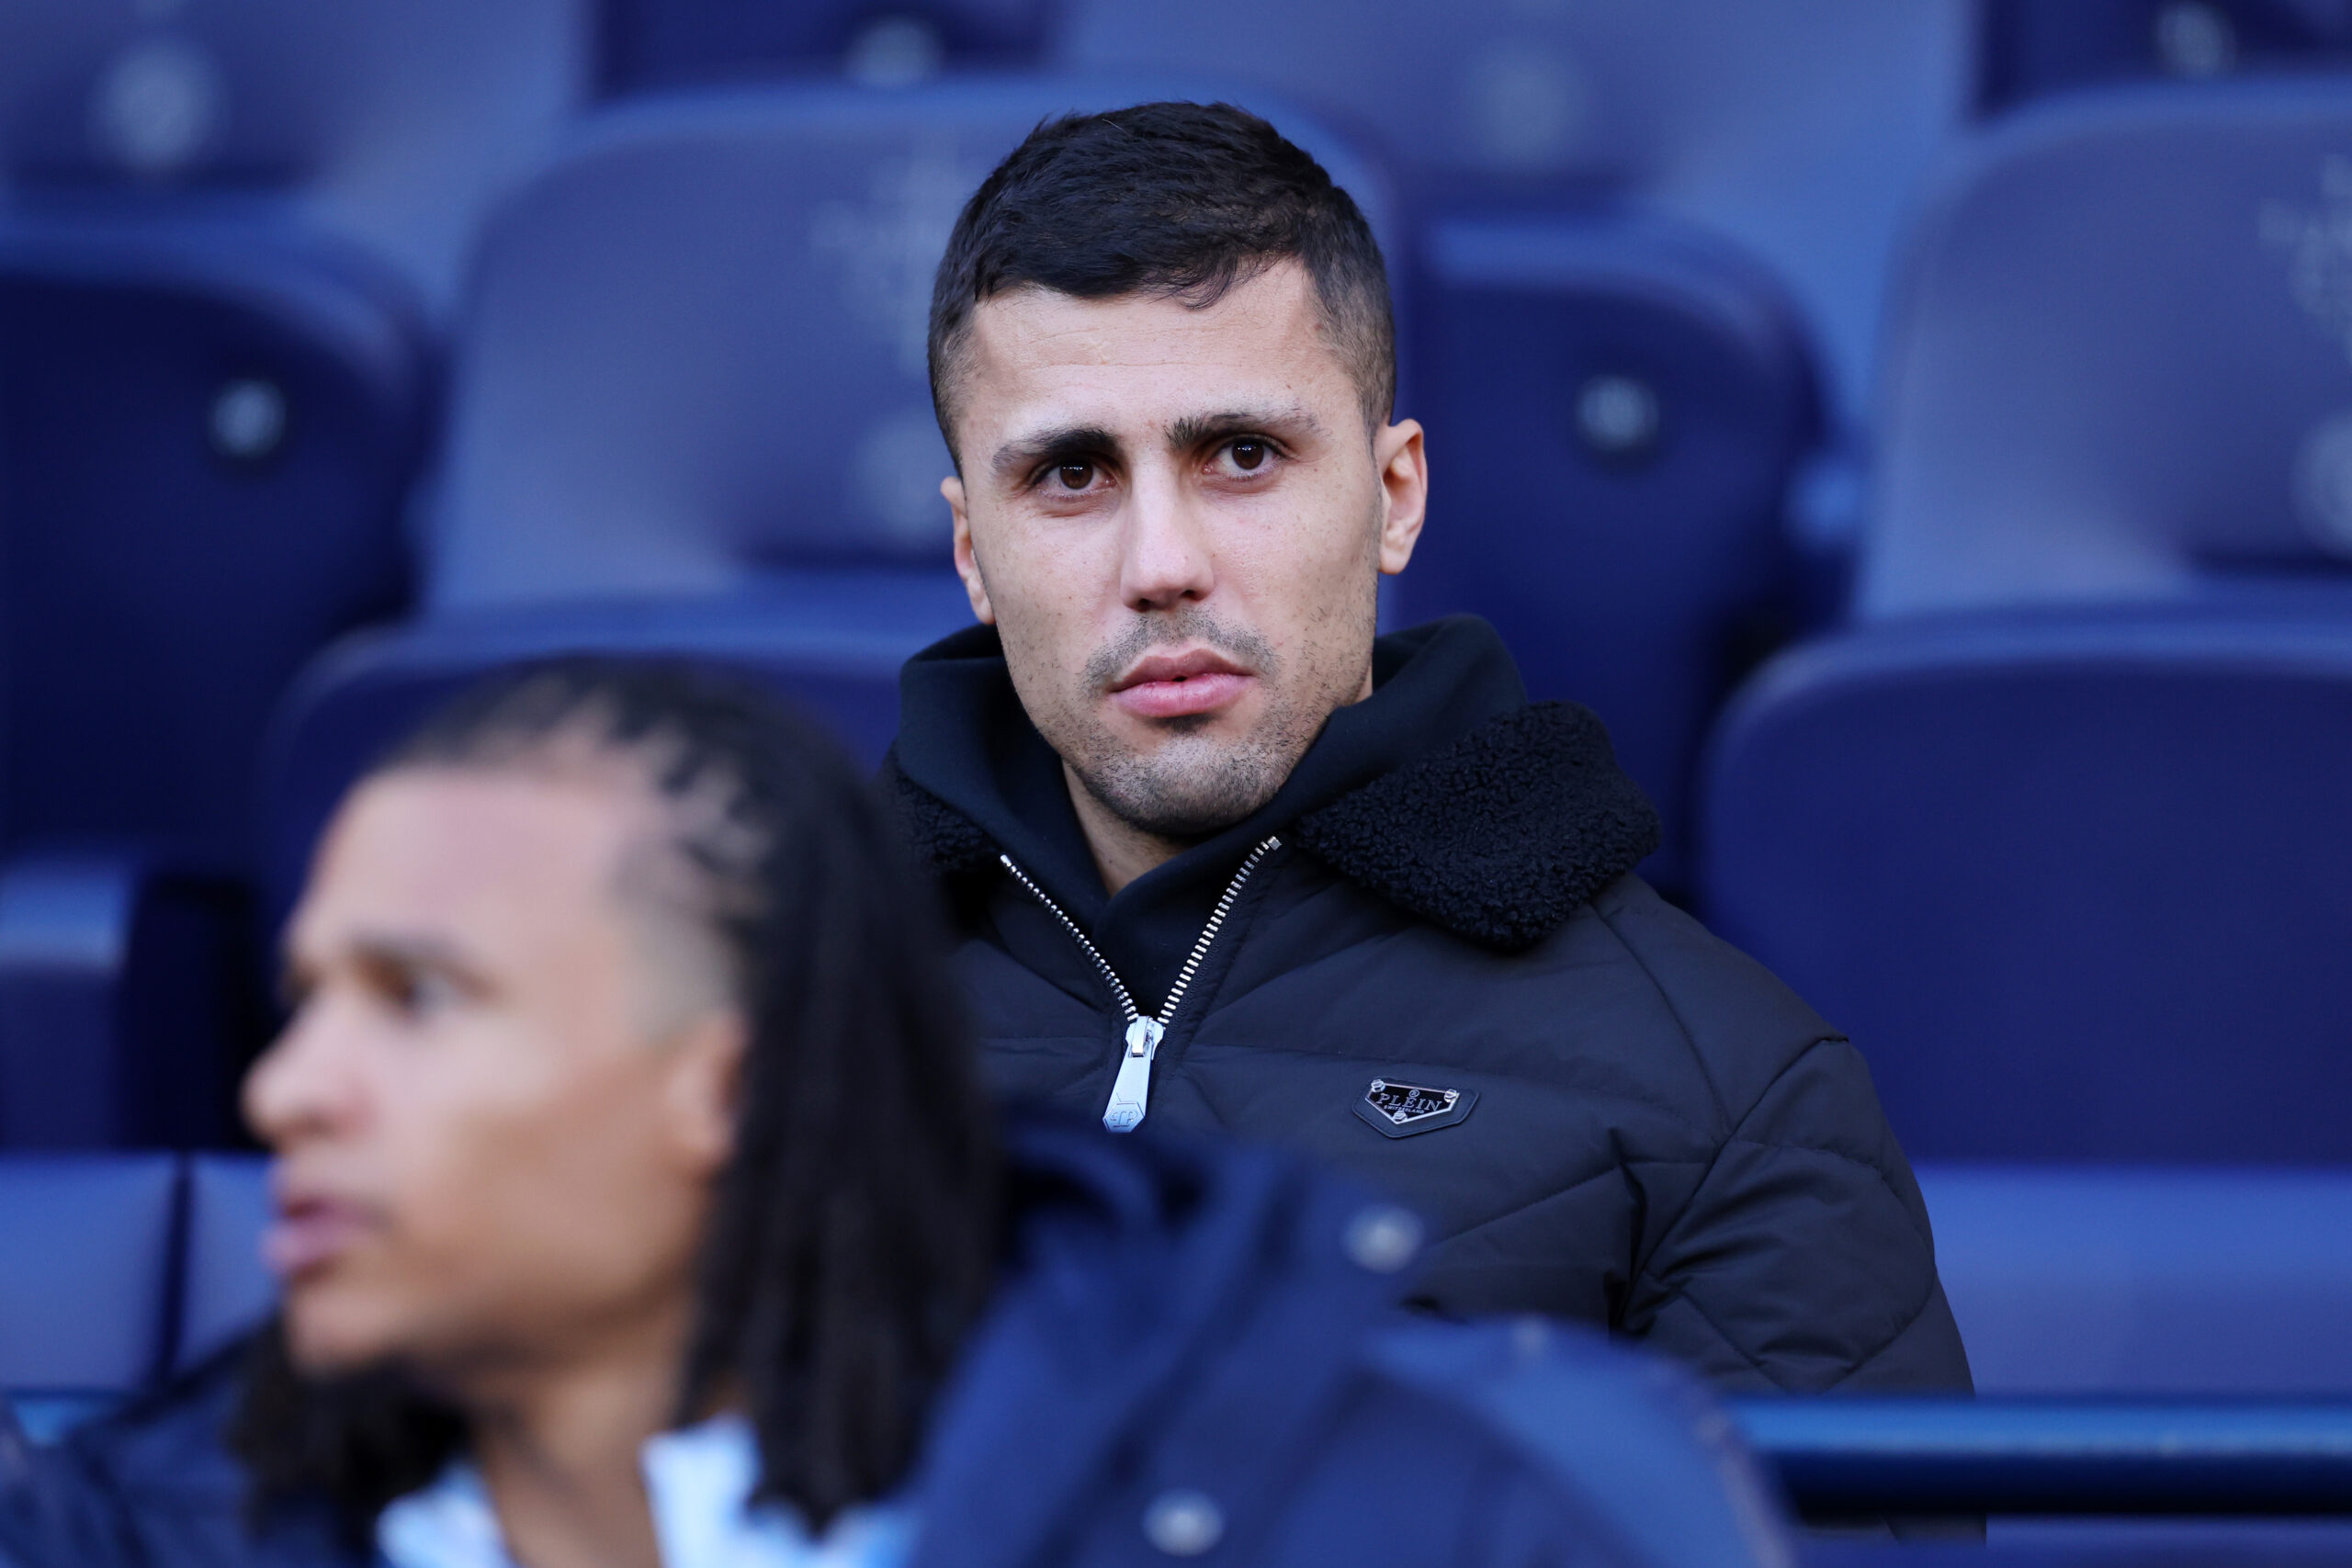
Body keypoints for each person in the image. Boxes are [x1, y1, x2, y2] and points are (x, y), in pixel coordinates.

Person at [0, 660, 1792, 1568]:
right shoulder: (128, 1531)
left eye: (421, 1000)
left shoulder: (1416, 1522)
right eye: (306, 999)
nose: (285, 1089)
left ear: (728, 1085)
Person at [888, 100, 1972, 1394]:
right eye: (1071, 475)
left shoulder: (1728, 1092)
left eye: (1243, 455)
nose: (1162, 564)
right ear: (973, 552)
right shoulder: (760, 1022)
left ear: (1394, 496)